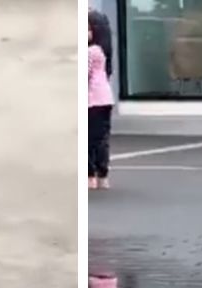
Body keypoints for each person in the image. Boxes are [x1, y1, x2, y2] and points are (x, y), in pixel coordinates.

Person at [88, 9, 115, 190]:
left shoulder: (90, 52)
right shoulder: (102, 52)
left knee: (89, 140)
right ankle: (102, 174)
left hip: (93, 101)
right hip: (105, 99)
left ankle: (90, 175)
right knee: (101, 138)